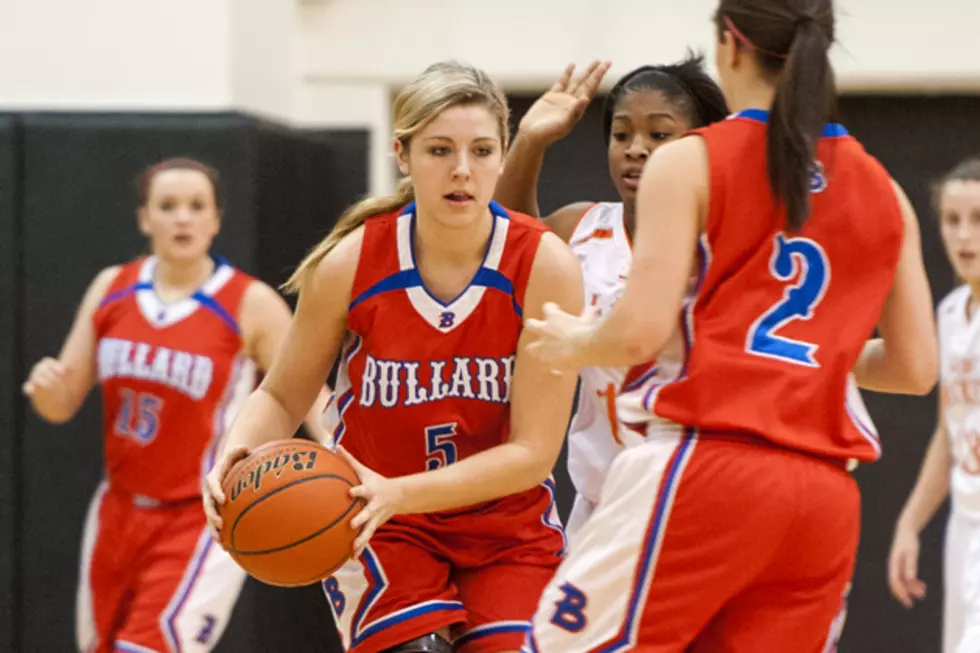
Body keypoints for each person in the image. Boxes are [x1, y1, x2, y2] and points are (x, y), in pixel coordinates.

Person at [520, 0, 938, 650]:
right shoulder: (885, 188)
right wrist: (809, 353)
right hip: (823, 498)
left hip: (707, 465)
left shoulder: (689, 162)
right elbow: (916, 368)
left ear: (730, 46)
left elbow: (640, 330)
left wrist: (576, 341)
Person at [202, 61, 583, 653]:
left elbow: (533, 454)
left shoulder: (544, 264)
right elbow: (281, 394)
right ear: (402, 155)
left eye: (482, 150)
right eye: (439, 150)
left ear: (504, 156)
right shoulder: (353, 262)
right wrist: (232, 458)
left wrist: (399, 490)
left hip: (507, 527)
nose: (462, 170)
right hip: (376, 522)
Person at [23, 157, 331, 653]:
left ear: (215, 219)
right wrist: (45, 388)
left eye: (196, 206)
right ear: (145, 219)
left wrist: (345, 449)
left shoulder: (248, 302)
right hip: (117, 510)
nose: (182, 218)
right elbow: (61, 402)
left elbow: (308, 389)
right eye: (168, 207)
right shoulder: (111, 288)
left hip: (201, 513)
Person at [494, 54, 729, 538]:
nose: (635, 149)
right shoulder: (581, 228)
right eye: (622, 135)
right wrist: (531, 140)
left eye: (659, 135)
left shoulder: (728, 245)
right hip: (603, 505)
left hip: (695, 498)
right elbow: (505, 249)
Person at [888, 156, 980, 653]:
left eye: (979, 220)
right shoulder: (949, 314)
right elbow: (950, 433)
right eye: (952, 220)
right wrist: (910, 522)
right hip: (964, 527)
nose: (964, 236)